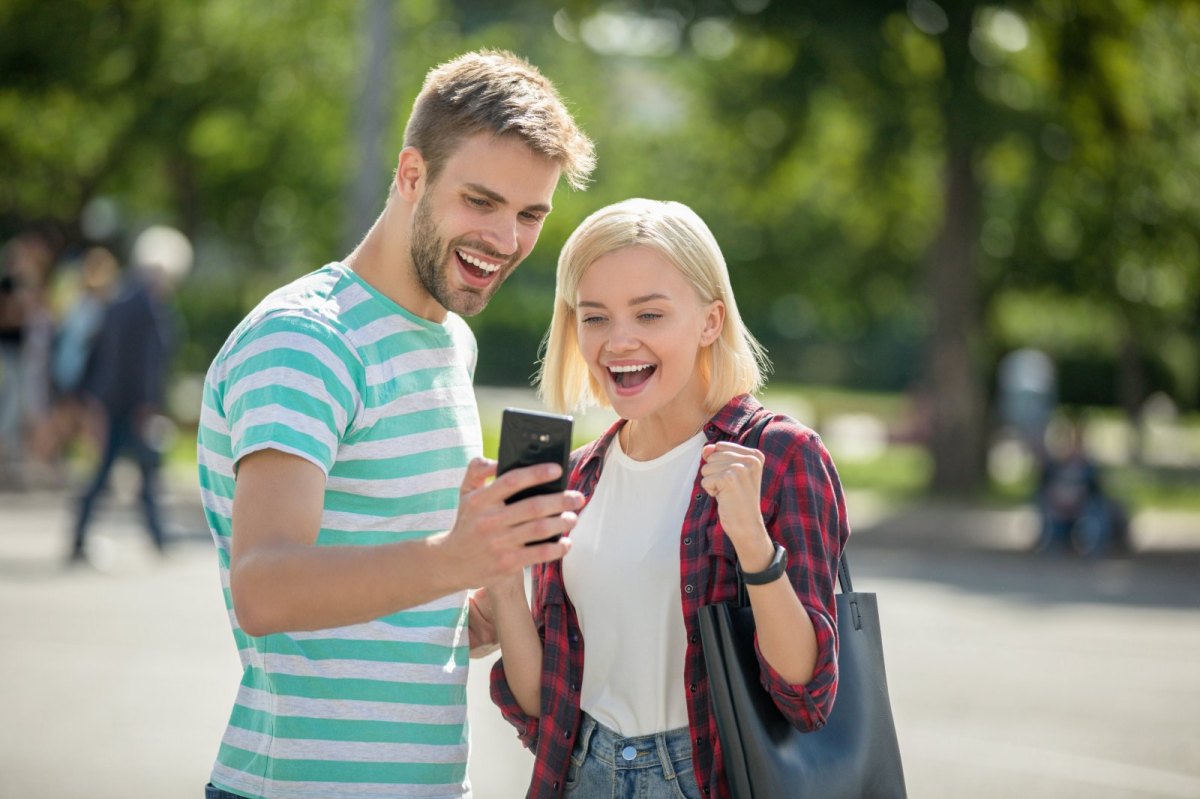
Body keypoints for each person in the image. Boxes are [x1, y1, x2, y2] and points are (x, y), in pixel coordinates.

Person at [196, 50, 595, 799]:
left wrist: (477, 604)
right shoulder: (305, 339)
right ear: (412, 174)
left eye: (530, 214)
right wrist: (453, 558)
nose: (506, 241)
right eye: (481, 201)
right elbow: (265, 586)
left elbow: (392, 579)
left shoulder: (451, 340)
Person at [487, 199, 849, 798]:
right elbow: (542, 712)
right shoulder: (576, 478)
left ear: (710, 321)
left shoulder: (780, 456)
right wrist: (501, 576)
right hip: (582, 776)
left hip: (704, 780)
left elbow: (806, 693)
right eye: (595, 317)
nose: (618, 341)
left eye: (650, 314)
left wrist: (754, 547)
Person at [71, 226, 192, 562]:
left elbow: (96, 351)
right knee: (122, 472)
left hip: (114, 401)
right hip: (131, 405)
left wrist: (87, 395)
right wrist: (147, 405)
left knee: (138, 473)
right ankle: (88, 538)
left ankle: (153, 535)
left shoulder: (120, 300)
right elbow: (145, 364)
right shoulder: (148, 306)